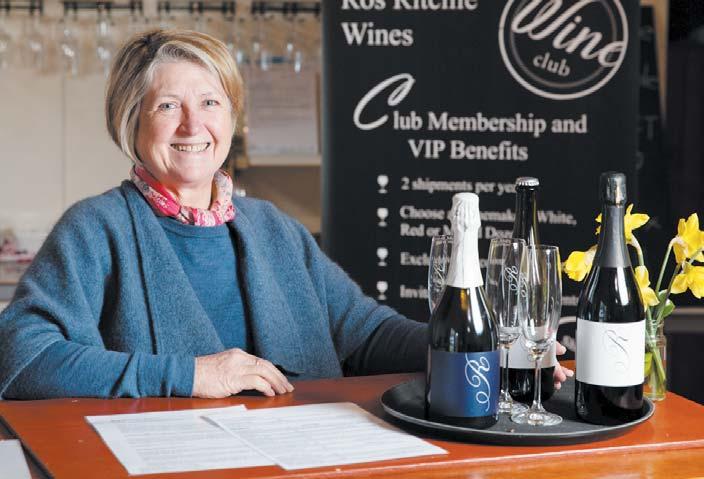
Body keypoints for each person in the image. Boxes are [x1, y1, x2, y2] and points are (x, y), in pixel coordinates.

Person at [0, 29, 571, 400]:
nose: (193, 125)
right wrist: (190, 375)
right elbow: (21, 360)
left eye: (210, 102)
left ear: (231, 118)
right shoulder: (94, 229)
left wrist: (479, 351)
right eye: (168, 105)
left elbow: (366, 334)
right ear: (132, 122)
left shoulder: (271, 227)